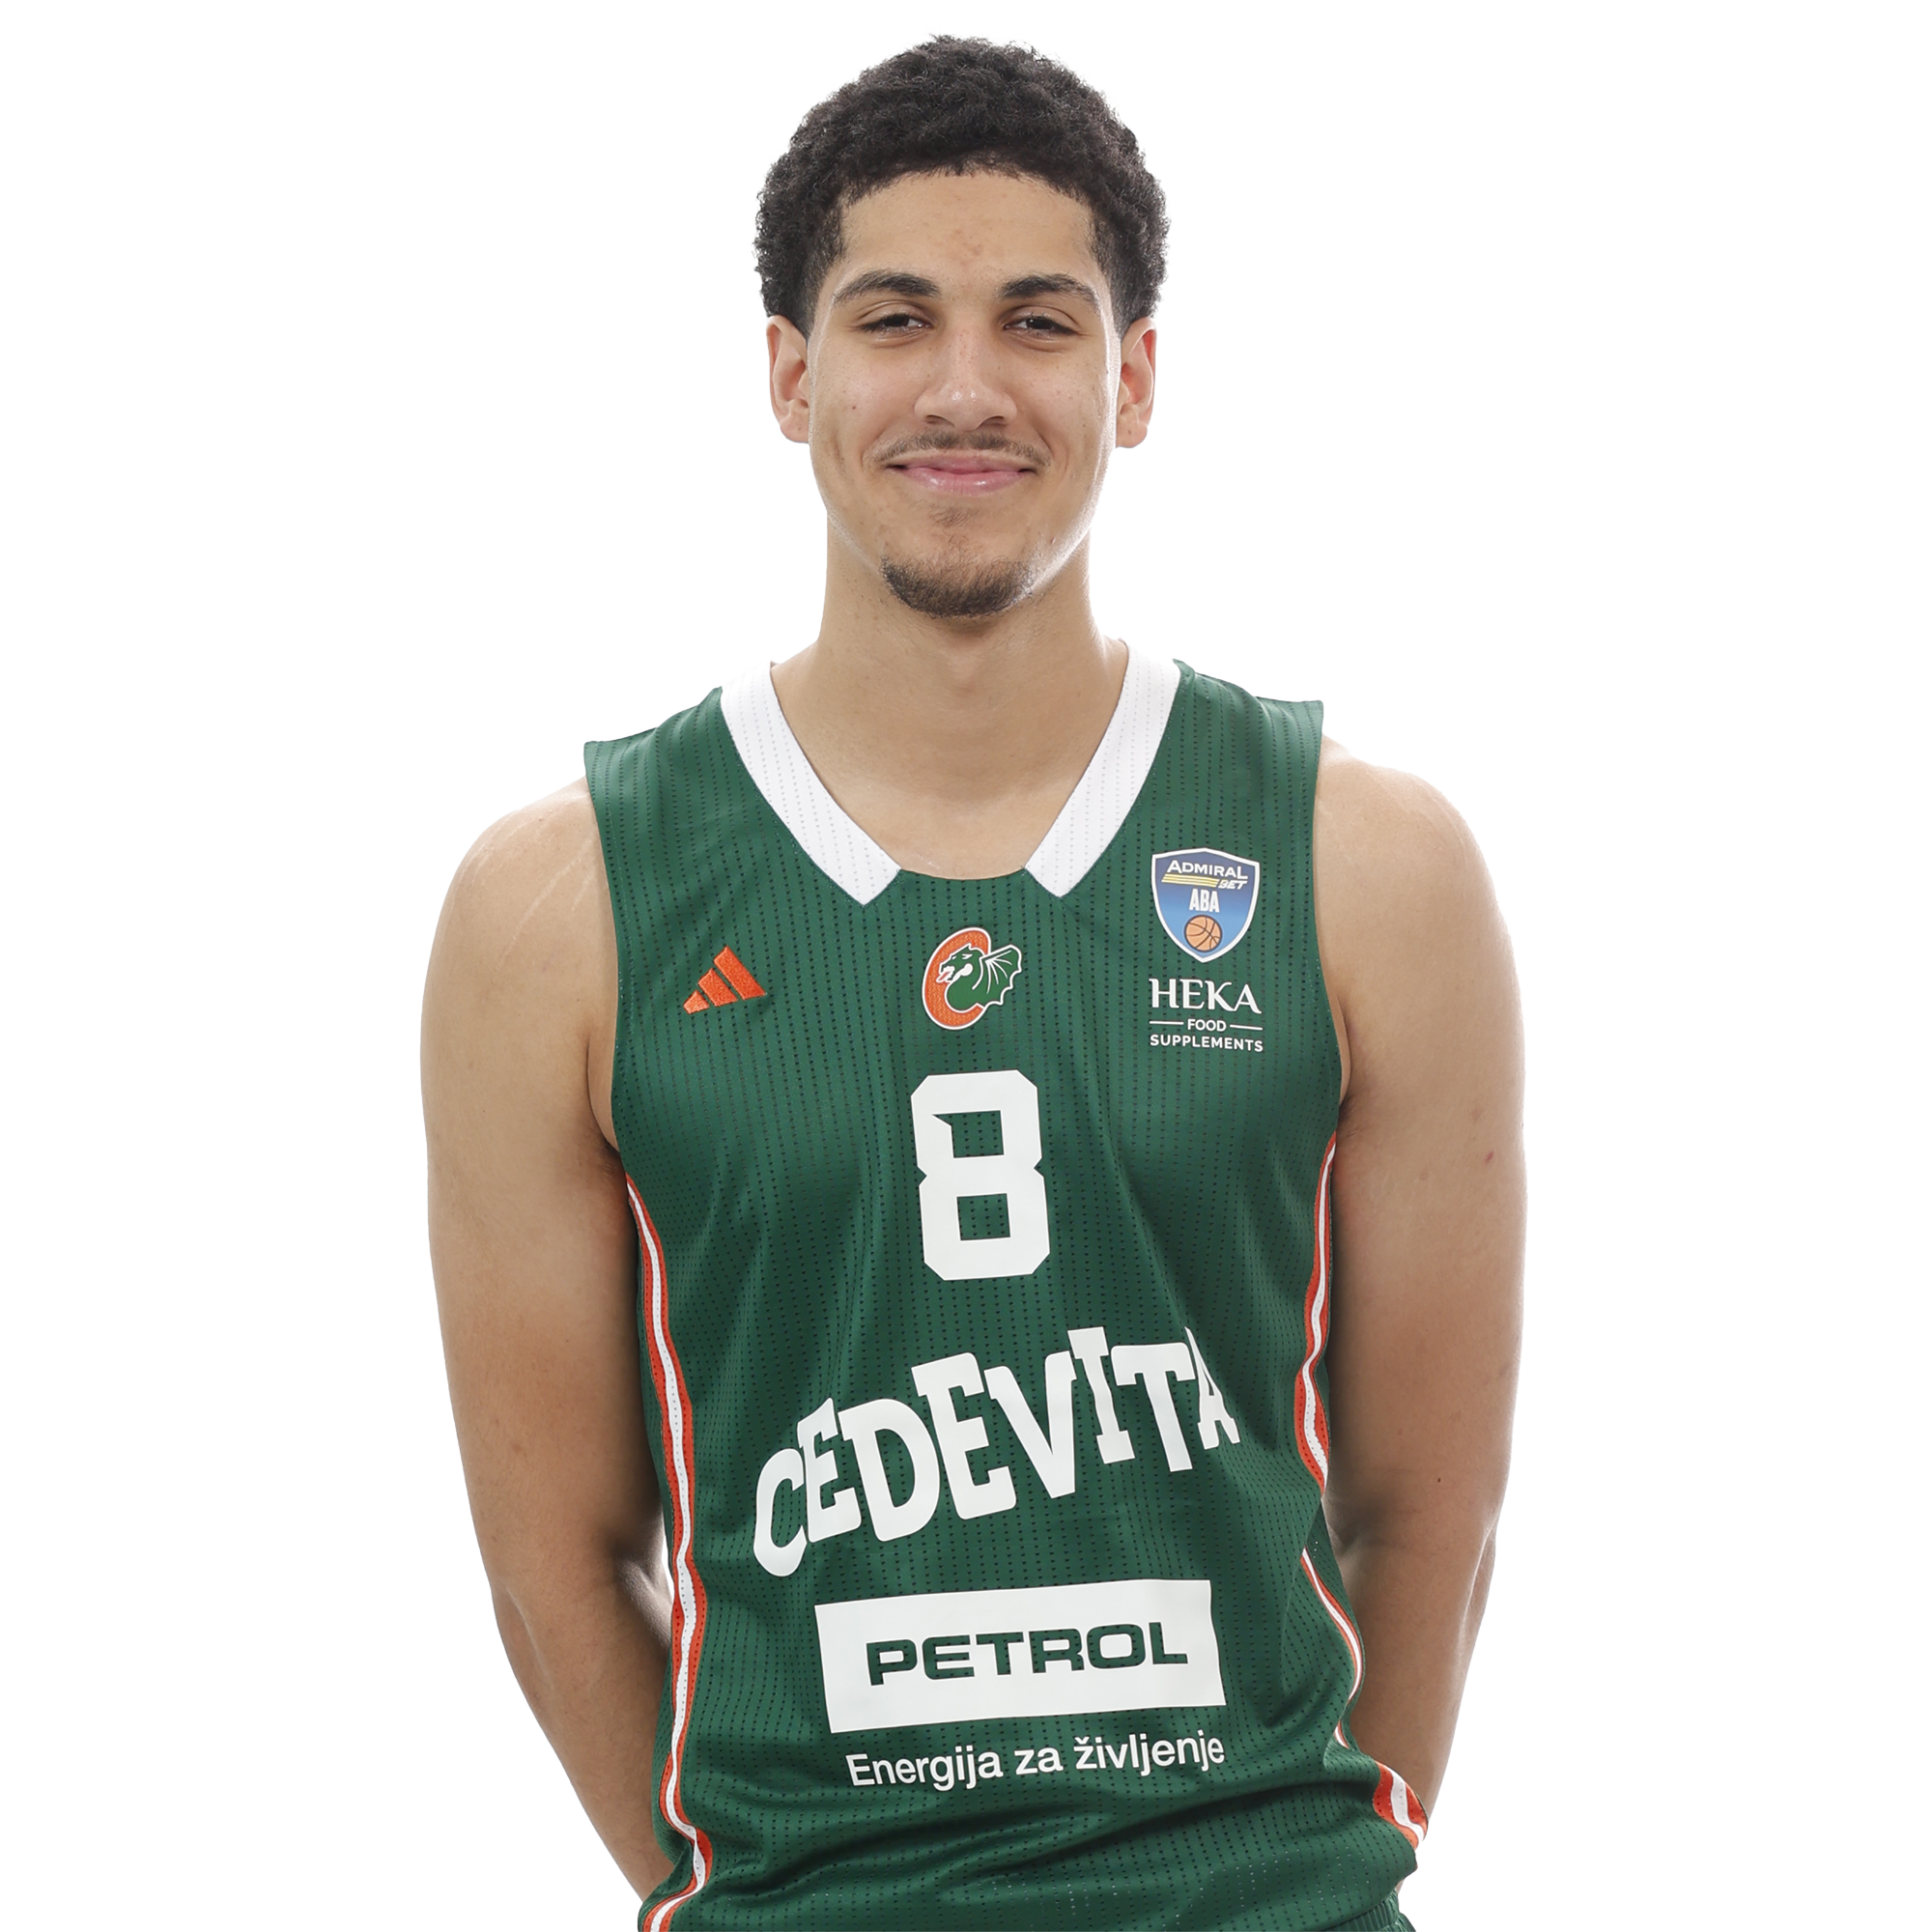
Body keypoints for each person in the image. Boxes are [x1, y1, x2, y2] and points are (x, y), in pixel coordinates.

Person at [422, 34, 1523, 1932]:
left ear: (1134, 374)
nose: (961, 388)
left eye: (1034, 319)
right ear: (790, 372)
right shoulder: (562, 904)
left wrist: (1294, 1875)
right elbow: (557, 1563)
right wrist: (756, 1893)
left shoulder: (1363, 864)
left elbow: (1433, 1511)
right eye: (892, 319)